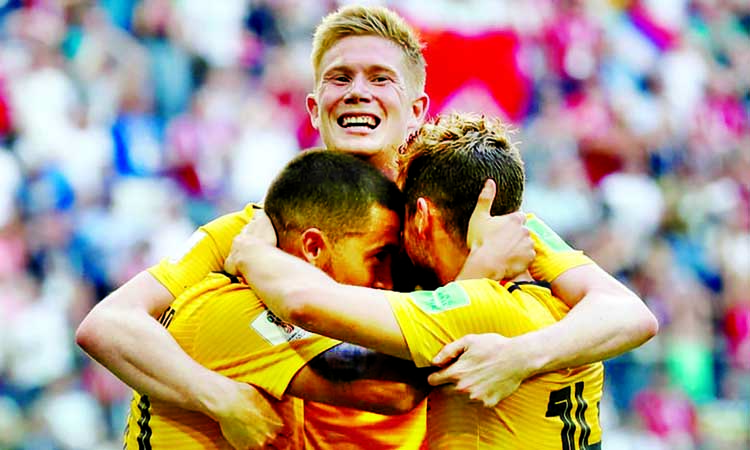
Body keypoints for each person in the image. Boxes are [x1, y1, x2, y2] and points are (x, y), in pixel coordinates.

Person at [76, 4, 657, 448]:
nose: (358, 91)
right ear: (313, 107)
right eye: (340, 77)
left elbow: (627, 313)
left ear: (417, 108)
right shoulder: (259, 228)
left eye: (381, 78)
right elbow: (110, 324)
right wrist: (219, 397)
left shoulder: (462, 215)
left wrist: (524, 355)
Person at [227, 113, 612, 449]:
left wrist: (251, 251)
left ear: (423, 216)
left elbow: (301, 301)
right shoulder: (570, 307)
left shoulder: (475, 307)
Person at [123, 150, 436, 449]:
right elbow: (395, 389)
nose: (386, 281)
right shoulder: (240, 311)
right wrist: (472, 301)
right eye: (378, 256)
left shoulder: (261, 297)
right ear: (313, 247)